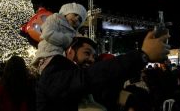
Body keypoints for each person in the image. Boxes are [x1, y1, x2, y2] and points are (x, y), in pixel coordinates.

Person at [35, 30, 170, 111]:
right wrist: (142, 56)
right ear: (70, 51)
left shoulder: (84, 83)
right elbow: (88, 78)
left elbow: (106, 89)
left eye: (94, 56)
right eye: (86, 53)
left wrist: (131, 100)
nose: (91, 59)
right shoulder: (55, 71)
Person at [33, 2, 87, 74]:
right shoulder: (55, 18)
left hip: (60, 59)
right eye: (75, 14)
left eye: (80, 20)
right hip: (48, 56)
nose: (76, 19)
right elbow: (48, 34)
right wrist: (68, 41)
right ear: (67, 12)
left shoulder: (74, 32)